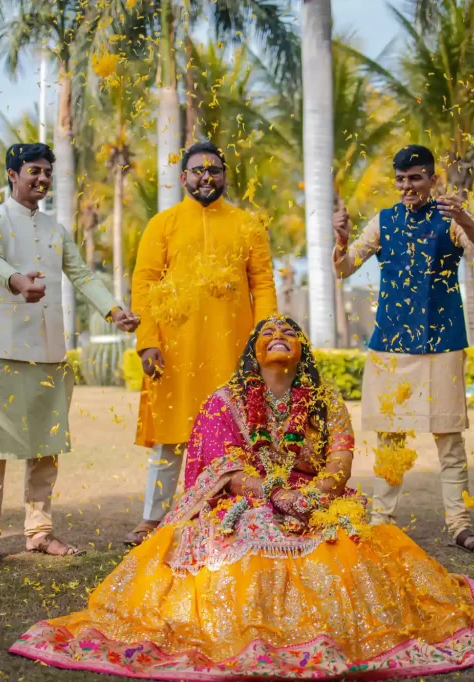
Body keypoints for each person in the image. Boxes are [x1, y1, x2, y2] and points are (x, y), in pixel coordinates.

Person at [9, 316, 474, 678]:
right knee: (248, 534)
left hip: (316, 498)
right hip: (246, 500)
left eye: (289, 331)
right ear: (253, 350)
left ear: (302, 349)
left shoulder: (326, 398)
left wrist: (318, 493)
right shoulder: (226, 400)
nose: (279, 335)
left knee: (351, 537)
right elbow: (222, 464)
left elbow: (342, 456)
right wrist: (271, 493)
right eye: (269, 332)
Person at [0, 143, 139, 566]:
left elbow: (80, 273)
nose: (41, 179)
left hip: (49, 351)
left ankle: (40, 532)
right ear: (12, 174)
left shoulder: (56, 230)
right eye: (33, 171)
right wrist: (16, 281)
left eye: (46, 173)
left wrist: (113, 309)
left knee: (46, 448)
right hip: (4, 350)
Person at [332, 145, 474, 553]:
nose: (408, 186)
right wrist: (340, 241)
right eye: (402, 179)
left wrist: (464, 218)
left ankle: (459, 524)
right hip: (391, 343)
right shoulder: (384, 222)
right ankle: (382, 522)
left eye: (416, 178)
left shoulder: (450, 219)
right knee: (390, 438)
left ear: (432, 180)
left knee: (449, 438)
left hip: (443, 340)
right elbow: (345, 267)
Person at [124, 141, 277, 546]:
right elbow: (144, 285)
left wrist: (266, 340)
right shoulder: (163, 223)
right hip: (176, 350)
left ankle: (239, 513)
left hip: (234, 351)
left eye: (213, 170)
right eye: (197, 171)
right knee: (171, 436)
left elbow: (262, 284)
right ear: (183, 177)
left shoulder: (247, 225)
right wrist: (148, 342)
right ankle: (152, 519)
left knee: (239, 435)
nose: (205, 177)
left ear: (225, 176)